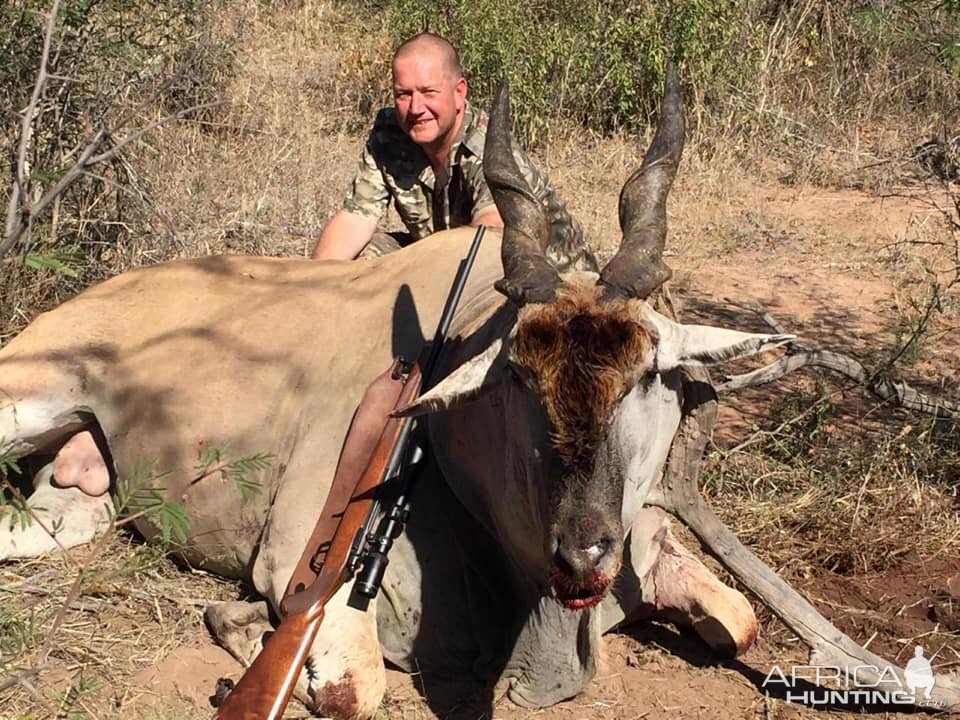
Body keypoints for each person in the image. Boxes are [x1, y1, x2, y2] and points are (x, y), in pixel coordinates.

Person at [312, 32, 582, 261]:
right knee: (366, 257)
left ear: (459, 93)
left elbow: (489, 235)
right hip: (444, 256)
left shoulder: (489, 147)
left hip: (547, 284)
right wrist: (315, 283)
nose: (416, 108)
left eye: (429, 92)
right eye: (403, 95)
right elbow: (355, 219)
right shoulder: (389, 134)